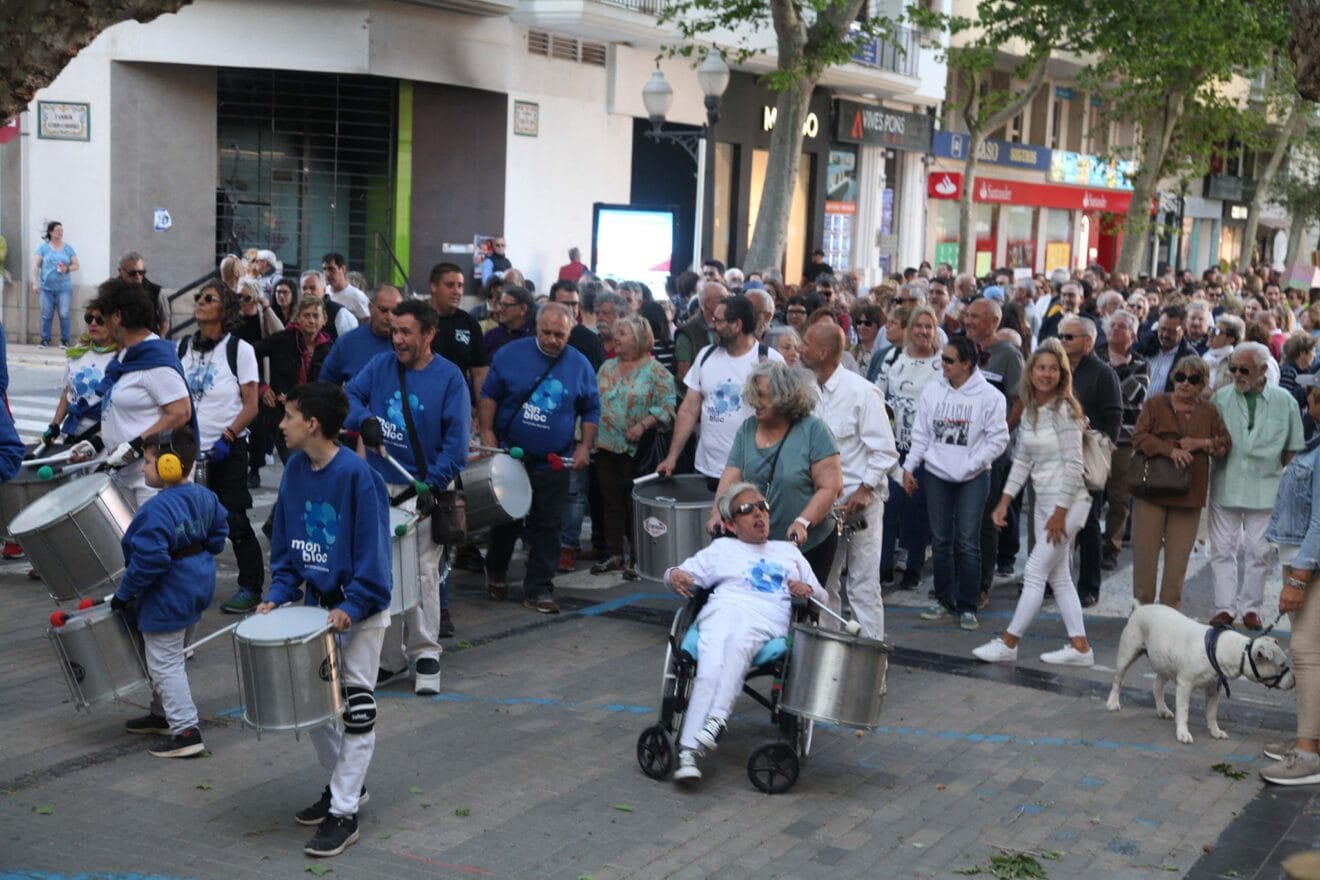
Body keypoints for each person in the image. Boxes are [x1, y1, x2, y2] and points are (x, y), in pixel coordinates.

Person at [256, 382, 392, 858]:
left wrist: (353, 606)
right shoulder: (295, 468)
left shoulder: (359, 476)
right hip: (316, 610)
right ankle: (343, 787)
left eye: (288, 415)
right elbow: (288, 546)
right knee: (315, 708)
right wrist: (276, 595)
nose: (281, 422)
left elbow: (375, 557)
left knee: (357, 710)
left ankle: (344, 812)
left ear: (311, 423)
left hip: (361, 611)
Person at [665, 482, 827, 783]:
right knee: (710, 670)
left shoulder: (787, 552)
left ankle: (714, 720)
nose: (758, 514)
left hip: (764, 620)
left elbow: (821, 596)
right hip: (721, 612)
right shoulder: (722, 549)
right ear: (729, 523)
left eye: (762, 506)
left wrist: (808, 590)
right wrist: (673, 575)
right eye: (746, 509)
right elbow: (679, 573)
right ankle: (689, 751)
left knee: (741, 642)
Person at [346, 300, 469, 695]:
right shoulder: (381, 366)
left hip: (425, 489)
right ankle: (389, 659)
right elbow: (348, 396)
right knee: (379, 571)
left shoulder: (450, 378)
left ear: (429, 334)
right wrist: (363, 419)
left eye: (405, 332)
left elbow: (456, 445)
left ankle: (425, 653)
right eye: (394, 330)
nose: (396, 339)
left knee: (420, 573)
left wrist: (433, 485)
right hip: (379, 486)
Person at [975, 340, 1095, 666]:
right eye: (1041, 368)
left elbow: (1074, 466)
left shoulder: (1065, 410)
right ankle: (1080, 647)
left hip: (1068, 504)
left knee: (1034, 572)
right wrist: (1003, 501)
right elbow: (1023, 461)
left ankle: (1009, 641)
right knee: (1059, 578)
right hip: (1044, 501)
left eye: (1053, 369)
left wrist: (1060, 513)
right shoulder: (1031, 411)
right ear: (1031, 372)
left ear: (1062, 374)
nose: (1046, 374)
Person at [112, 425, 228, 758]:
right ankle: (162, 713)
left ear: (168, 467)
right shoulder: (207, 496)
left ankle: (186, 731)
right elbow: (219, 533)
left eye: (149, 463)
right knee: (172, 656)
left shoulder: (155, 510)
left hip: (167, 595)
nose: (145, 469)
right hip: (197, 588)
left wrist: (124, 594)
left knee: (164, 663)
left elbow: (149, 561)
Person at [479, 304, 600, 613]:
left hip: (553, 460)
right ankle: (495, 570)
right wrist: (487, 433)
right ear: (536, 327)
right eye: (546, 332)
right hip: (510, 454)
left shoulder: (580, 365)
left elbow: (590, 408)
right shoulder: (510, 354)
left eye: (559, 334)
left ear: (570, 332)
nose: (552, 340)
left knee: (547, 526)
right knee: (506, 521)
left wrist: (585, 446)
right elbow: (490, 394)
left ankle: (539, 588)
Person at [706, 360, 844, 585]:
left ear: (785, 396)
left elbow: (831, 487)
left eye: (762, 396)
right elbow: (731, 476)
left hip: (806, 545)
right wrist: (717, 514)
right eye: (753, 396)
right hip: (759, 544)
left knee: (800, 609)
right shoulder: (748, 429)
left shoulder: (814, 430)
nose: (755, 403)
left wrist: (802, 522)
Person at [802, 323, 898, 639]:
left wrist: (865, 489)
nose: (800, 348)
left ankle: (872, 668)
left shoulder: (862, 393)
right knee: (825, 584)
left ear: (823, 352)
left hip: (861, 506)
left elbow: (885, 451)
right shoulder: (806, 391)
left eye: (806, 343)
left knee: (863, 585)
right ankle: (828, 661)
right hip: (824, 506)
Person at [906, 336, 1009, 631]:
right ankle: (943, 597)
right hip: (936, 473)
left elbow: (999, 439)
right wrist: (909, 466)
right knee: (940, 540)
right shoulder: (932, 390)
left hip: (974, 478)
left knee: (967, 541)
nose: (943, 365)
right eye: (943, 359)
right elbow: (921, 434)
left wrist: (972, 464)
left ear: (967, 364)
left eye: (949, 360)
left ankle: (968, 603)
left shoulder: (990, 397)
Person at [176, 281, 265, 616]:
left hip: (226, 449)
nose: (200, 302)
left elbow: (252, 404)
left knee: (234, 520)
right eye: (198, 297)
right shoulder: (183, 346)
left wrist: (228, 437)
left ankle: (251, 586)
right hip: (188, 451)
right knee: (187, 523)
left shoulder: (239, 350)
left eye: (208, 299)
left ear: (225, 310)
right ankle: (189, 584)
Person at [70, 280, 193, 506]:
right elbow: (122, 413)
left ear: (117, 317)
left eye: (104, 317)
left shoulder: (154, 359)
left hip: (151, 480)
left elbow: (180, 412)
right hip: (124, 475)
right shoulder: (128, 355)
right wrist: (95, 443)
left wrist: (136, 446)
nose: (102, 324)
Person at [1209, 341, 1305, 629]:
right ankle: (1225, 608)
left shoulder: (1284, 400)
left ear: (1263, 370)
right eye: (1233, 368)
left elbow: (1293, 447)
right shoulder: (1221, 398)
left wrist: (1272, 468)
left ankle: (1251, 607)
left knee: (1258, 553)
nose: (1237, 374)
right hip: (1225, 483)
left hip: (1266, 488)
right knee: (1222, 550)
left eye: (1244, 369)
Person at [1129, 356, 1231, 607]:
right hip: (1152, 489)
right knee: (1145, 559)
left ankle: (1168, 619)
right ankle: (1141, 615)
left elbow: (1225, 444)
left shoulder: (1208, 410)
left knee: (1177, 563)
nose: (1185, 383)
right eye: (1180, 377)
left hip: (1188, 494)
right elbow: (1139, 437)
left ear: (1202, 384)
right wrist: (1169, 450)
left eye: (1193, 379)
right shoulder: (1155, 404)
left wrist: (1200, 443)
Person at [657, 297, 783, 485]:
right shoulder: (706, 355)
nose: (712, 325)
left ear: (737, 324)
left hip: (752, 472)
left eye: (718, 321)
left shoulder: (769, 360)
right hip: (707, 469)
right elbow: (689, 409)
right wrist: (672, 456)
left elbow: (783, 416)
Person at [591, 315, 676, 576]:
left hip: (638, 449)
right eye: (616, 333)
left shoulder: (656, 371)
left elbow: (667, 407)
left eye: (624, 333)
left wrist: (643, 425)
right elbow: (593, 402)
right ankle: (614, 553)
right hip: (605, 445)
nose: (616, 338)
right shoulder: (606, 367)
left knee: (635, 504)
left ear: (639, 338)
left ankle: (639, 557)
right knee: (610, 501)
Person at [1262, 409, 1320, 784]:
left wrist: (1298, 579)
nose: (1309, 401)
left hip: (1309, 562)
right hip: (1304, 557)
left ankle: (1307, 753)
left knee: (1305, 652)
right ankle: (1310, 741)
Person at [961, 296, 1025, 600]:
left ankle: (981, 586)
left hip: (992, 456)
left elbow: (1019, 401)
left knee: (986, 521)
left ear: (994, 322)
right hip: (958, 451)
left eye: (976, 316)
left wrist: (998, 434)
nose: (968, 321)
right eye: (968, 315)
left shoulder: (1009, 356)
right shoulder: (962, 351)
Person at [1058, 316, 1121, 606]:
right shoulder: (1057, 368)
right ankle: (1054, 581)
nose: (1062, 341)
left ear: (1088, 341)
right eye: (1061, 336)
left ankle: (1089, 586)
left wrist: (1099, 442)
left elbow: (1114, 417)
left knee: (1088, 525)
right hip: (1056, 456)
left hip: (1086, 458)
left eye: (1069, 337)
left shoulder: (1103, 373)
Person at [878, 305, 942, 591]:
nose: (923, 331)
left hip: (926, 449)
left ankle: (914, 568)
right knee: (889, 504)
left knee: (918, 509)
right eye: (918, 325)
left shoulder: (942, 364)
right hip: (893, 446)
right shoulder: (892, 358)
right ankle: (883, 566)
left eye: (929, 326)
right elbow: (876, 395)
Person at [1096, 309, 1150, 570]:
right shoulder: (1094, 357)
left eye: (1122, 327)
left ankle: (1111, 546)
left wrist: (1120, 368)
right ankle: (1087, 540)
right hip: (1095, 436)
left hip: (1125, 440)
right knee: (1092, 492)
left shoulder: (1140, 363)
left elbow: (1137, 396)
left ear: (1133, 334)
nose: (1116, 330)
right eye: (1112, 325)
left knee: (1119, 497)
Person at [253, 296, 334, 463]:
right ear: (298, 318)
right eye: (306, 315)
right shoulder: (283, 339)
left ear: (324, 319)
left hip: (315, 419)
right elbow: (246, 354)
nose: (311, 320)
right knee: (294, 464)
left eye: (315, 316)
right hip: (283, 417)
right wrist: (262, 387)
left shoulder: (330, 349)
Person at [44, 302, 118, 447]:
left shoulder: (122, 357)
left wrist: (96, 441)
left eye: (100, 320)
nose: (93, 323)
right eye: (89, 318)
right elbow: (68, 392)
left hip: (102, 440)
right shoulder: (79, 351)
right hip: (71, 434)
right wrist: (55, 425)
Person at [320, 284, 402, 387]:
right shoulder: (348, 343)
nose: (390, 317)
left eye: (395, 311)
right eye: (383, 310)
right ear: (370, 307)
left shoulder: (410, 343)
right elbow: (325, 386)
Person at [32, 221, 79, 348]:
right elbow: (36, 266)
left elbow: (76, 264)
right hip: (46, 288)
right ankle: (45, 339)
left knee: (64, 313)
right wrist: (35, 283)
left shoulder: (68, 248)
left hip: (64, 288)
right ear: (51, 232)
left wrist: (67, 269)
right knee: (46, 314)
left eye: (62, 230)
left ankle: (65, 340)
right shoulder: (43, 248)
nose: (60, 233)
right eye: (58, 230)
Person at [674, 282, 725, 381]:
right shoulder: (688, 332)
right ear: (708, 303)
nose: (728, 302)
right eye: (723, 299)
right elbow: (683, 374)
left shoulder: (730, 325)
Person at [117, 251, 171, 337]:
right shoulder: (112, 291)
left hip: (148, 341)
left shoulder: (156, 292)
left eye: (141, 272)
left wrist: (159, 340)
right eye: (132, 273)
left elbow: (165, 321)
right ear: (120, 271)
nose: (138, 276)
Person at [483, 284, 536, 357]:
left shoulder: (536, 338)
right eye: (500, 304)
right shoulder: (491, 336)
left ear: (523, 309)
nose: (499, 309)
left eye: (505, 305)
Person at [301, 270, 355, 339]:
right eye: (304, 288)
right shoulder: (298, 313)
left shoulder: (340, 313)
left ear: (324, 289)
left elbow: (348, 344)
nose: (308, 292)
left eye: (312, 288)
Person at [1205, 313, 1246, 393]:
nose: (1210, 333)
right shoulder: (1204, 356)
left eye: (1216, 331)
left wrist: (1212, 396)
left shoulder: (1235, 363)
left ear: (1230, 339)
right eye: (1211, 329)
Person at [322, 253, 369, 322]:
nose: (327, 274)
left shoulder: (357, 296)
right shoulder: (324, 291)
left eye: (332, 269)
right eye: (324, 269)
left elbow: (367, 322)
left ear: (343, 269)